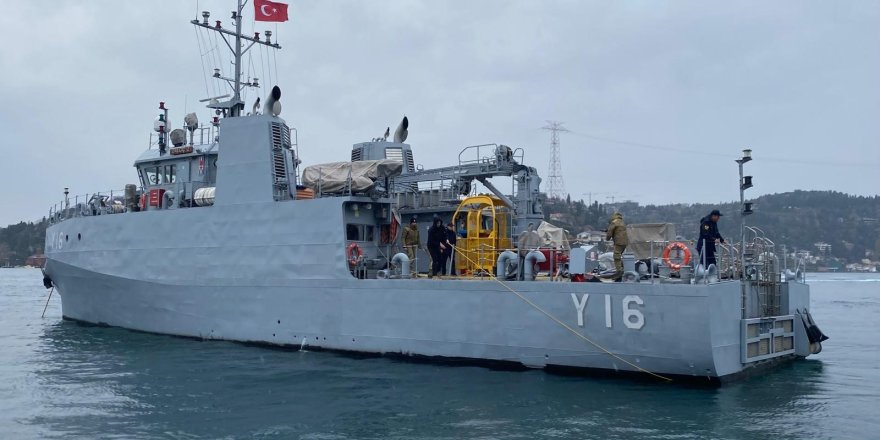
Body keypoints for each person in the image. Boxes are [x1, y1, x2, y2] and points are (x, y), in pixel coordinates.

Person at [605, 212, 629, 282]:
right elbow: (619, 230)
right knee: (619, 256)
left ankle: (619, 272)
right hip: (624, 242)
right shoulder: (622, 222)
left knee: (616, 256)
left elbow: (610, 232)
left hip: (619, 242)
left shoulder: (614, 222)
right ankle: (622, 269)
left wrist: (607, 238)